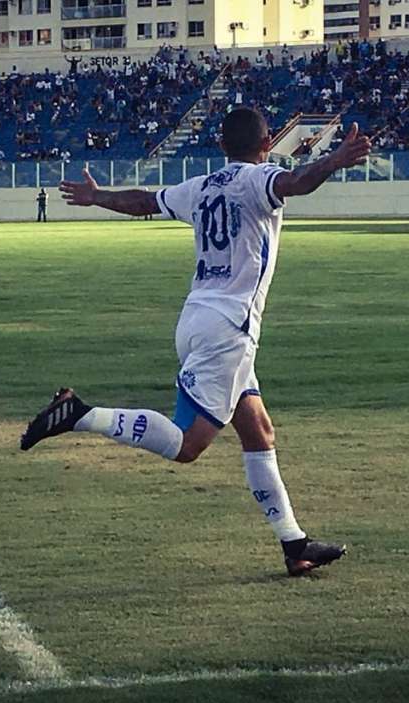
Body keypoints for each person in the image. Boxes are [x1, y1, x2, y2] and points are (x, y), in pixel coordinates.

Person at [20, 108, 372, 577]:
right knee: (187, 445)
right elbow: (296, 183)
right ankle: (81, 414)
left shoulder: (201, 185)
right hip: (228, 329)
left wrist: (97, 196)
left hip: (198, 318)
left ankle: (295, 545)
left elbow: (145, 201)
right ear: (267, 144)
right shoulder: (257, 180)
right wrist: (334, 160)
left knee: (258, 431)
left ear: (222, 145)